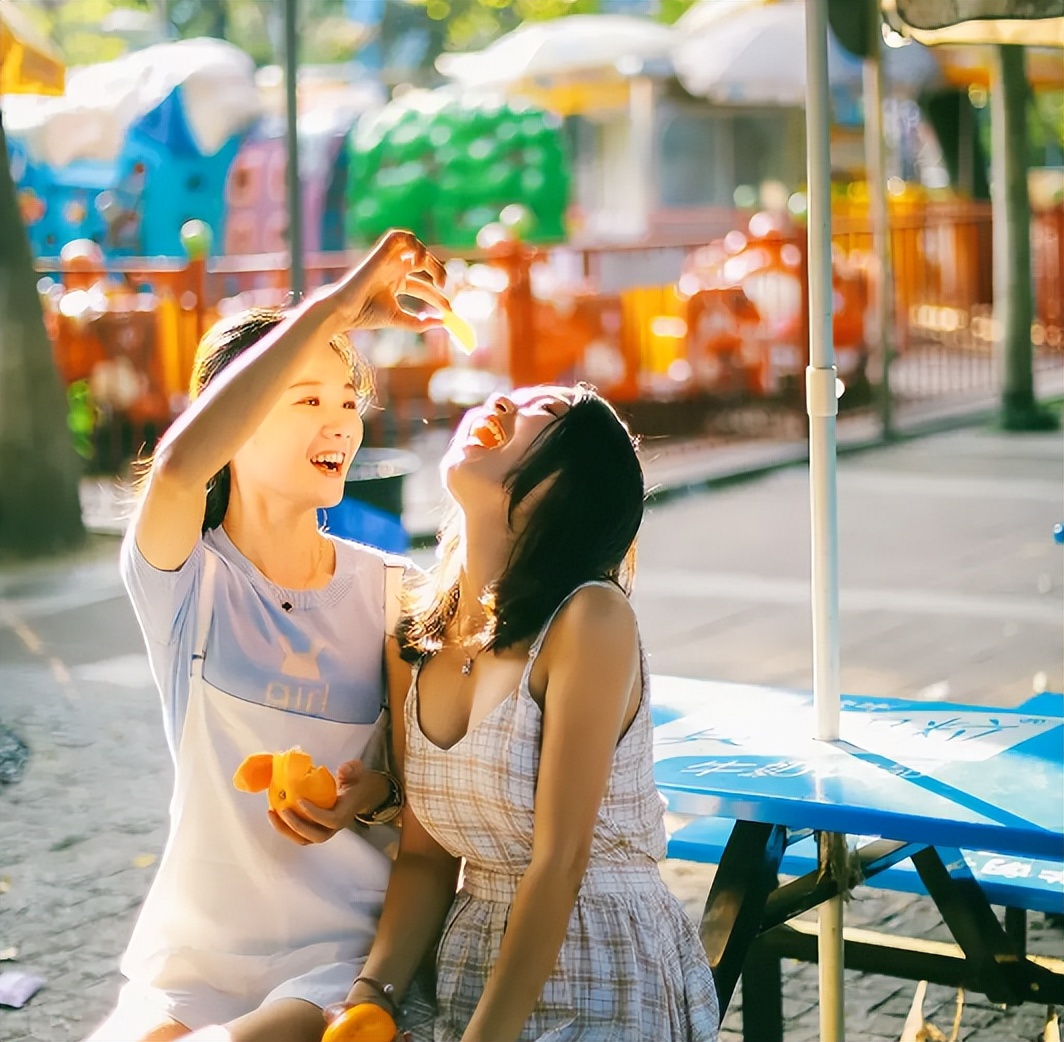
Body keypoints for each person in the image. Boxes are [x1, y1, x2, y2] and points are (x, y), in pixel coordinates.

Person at [86, 231, 450, 1042]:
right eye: (307, 397)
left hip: (337, 959)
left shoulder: (395, 594)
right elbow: (179, 468)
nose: (340, 423)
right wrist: (339, 305)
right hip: (193, 959)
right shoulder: (184, 581)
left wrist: (371, 795)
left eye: (349, 400)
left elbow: (422, 811)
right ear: (237, 420)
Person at [329, 384, 720, 1042]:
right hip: (468, 957)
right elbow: (425, 859)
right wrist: (373, 996)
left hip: (599, 957)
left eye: (548, 414)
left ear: (571, 489)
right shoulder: (415, 638)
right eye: (509, 396)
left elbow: (559, 861)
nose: (503, 405)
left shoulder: (591, 618)